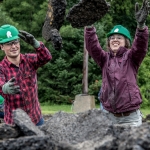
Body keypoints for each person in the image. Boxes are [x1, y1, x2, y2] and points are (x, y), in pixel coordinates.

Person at [84, 0, 149, 127]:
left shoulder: (132, 57)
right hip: (108, 117)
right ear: (108, 43)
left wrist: (141, 27)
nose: (115, 40)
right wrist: (89, 26)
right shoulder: (104, 59)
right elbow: (92, 46)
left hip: (130, 119)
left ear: (126, 42)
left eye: (119, 38)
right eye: (112, 38)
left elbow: (140, 46)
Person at [0, 24, 52, 126]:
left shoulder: (29, 60)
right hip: (14, 123)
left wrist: (36, 44)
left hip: (35, 118)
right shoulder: (1, 68)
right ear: (2, 46)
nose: (14, 46)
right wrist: (4, 88)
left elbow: (46, 57)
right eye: (9, 44)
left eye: (15, 42)